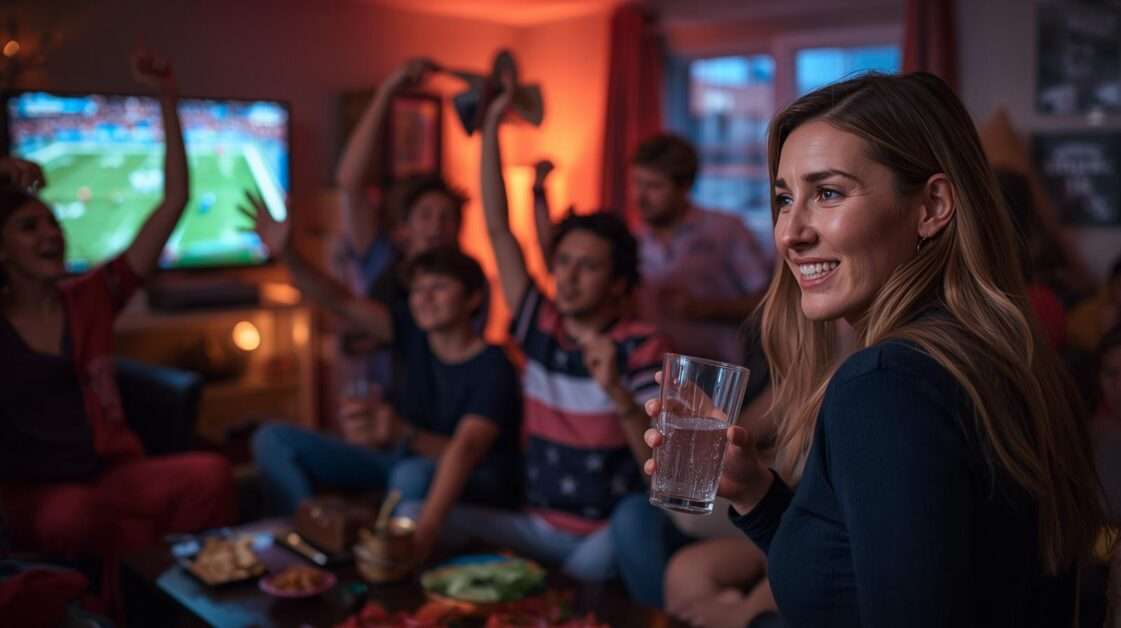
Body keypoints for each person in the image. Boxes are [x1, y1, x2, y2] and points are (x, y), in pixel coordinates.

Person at [643, 72, 1106, 627]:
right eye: (785, 199)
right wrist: (756, 495)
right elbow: (867, 577)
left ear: (933, 205)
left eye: (829, 193)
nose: (790, 232)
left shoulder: (884, 383)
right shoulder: (990, 351)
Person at [403, 75, 669, 582]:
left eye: (587, 267)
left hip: (602, 536)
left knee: (609, 549)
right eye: (563, 261)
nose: (567, 277)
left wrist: (619, 394)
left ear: (617, 284)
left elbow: (659, 473)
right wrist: (490, 129)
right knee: (412, 516)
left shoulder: (642, 346)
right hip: (531, 527)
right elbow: (499, 227)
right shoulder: (537, 322)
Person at [0, 52, 235, 600]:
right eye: (28, 227)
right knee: (79, 518)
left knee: (213, 475)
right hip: (37, 492)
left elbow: (173, 202)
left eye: (52, 224)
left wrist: (167, 97)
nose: (50, 235)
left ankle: (195, 602)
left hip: (111, 475)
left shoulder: (91, 298)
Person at [246, 198, 521, 560]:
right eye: (418, 291)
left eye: (438, 288)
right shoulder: (412, 331)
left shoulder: (493, 366)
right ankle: (310, 541)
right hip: (399, 455)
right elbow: (342, 301)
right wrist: (290, 256)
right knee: (273, 439)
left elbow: (467, 452)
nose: (424, 300)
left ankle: (397, 564)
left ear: (472, 299)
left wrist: (400, 434)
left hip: (466, 480)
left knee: (410, 472)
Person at [333, 56, 474, 397]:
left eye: (446, 217)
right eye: (425, 216)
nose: (436, 226)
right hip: (375, 402)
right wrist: (388, 90)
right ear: (404, 229)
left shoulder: (469, 283)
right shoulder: (383, 258)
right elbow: (350, 183)